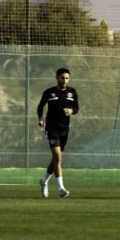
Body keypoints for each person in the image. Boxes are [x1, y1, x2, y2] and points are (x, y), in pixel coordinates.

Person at [36, 68, 79, 198]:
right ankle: (61, 189)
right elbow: (40, 106)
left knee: (56, 159)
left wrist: (71, 111)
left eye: (66, 78)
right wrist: (40, 119)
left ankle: (44, 180)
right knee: (57, 157)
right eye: (62, 78)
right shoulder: (50, 92)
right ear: (57, 78)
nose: (64, 80)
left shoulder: (72, 92)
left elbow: (76, 108)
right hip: (52, 129)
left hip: (64, 130)